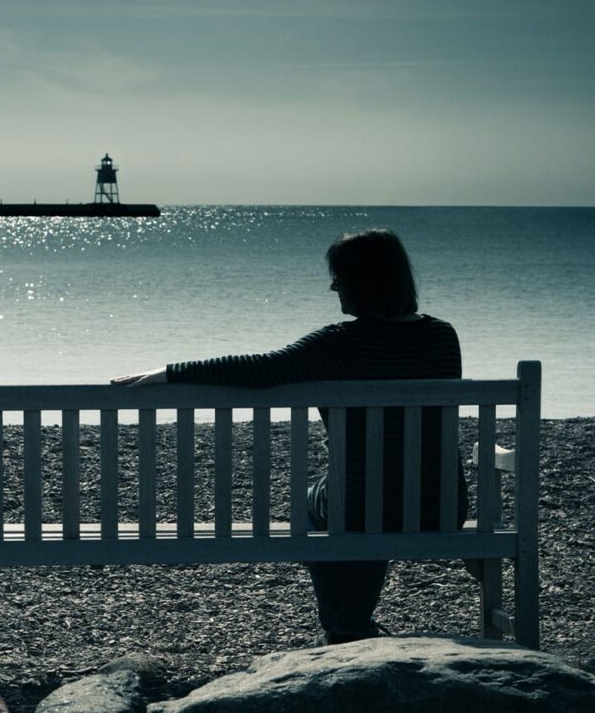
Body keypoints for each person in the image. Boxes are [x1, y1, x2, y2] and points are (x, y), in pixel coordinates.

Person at [112, 228, 468, 645]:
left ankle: (342, 623)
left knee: (321, 503)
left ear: (363, 282)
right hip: (441, 506)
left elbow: (260, 369)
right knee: (376, 499)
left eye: (339, 277)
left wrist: (170, 372)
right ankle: (349, 622)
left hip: (362, 509)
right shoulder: (443, 336)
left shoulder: (339, 343)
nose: (333, 287)